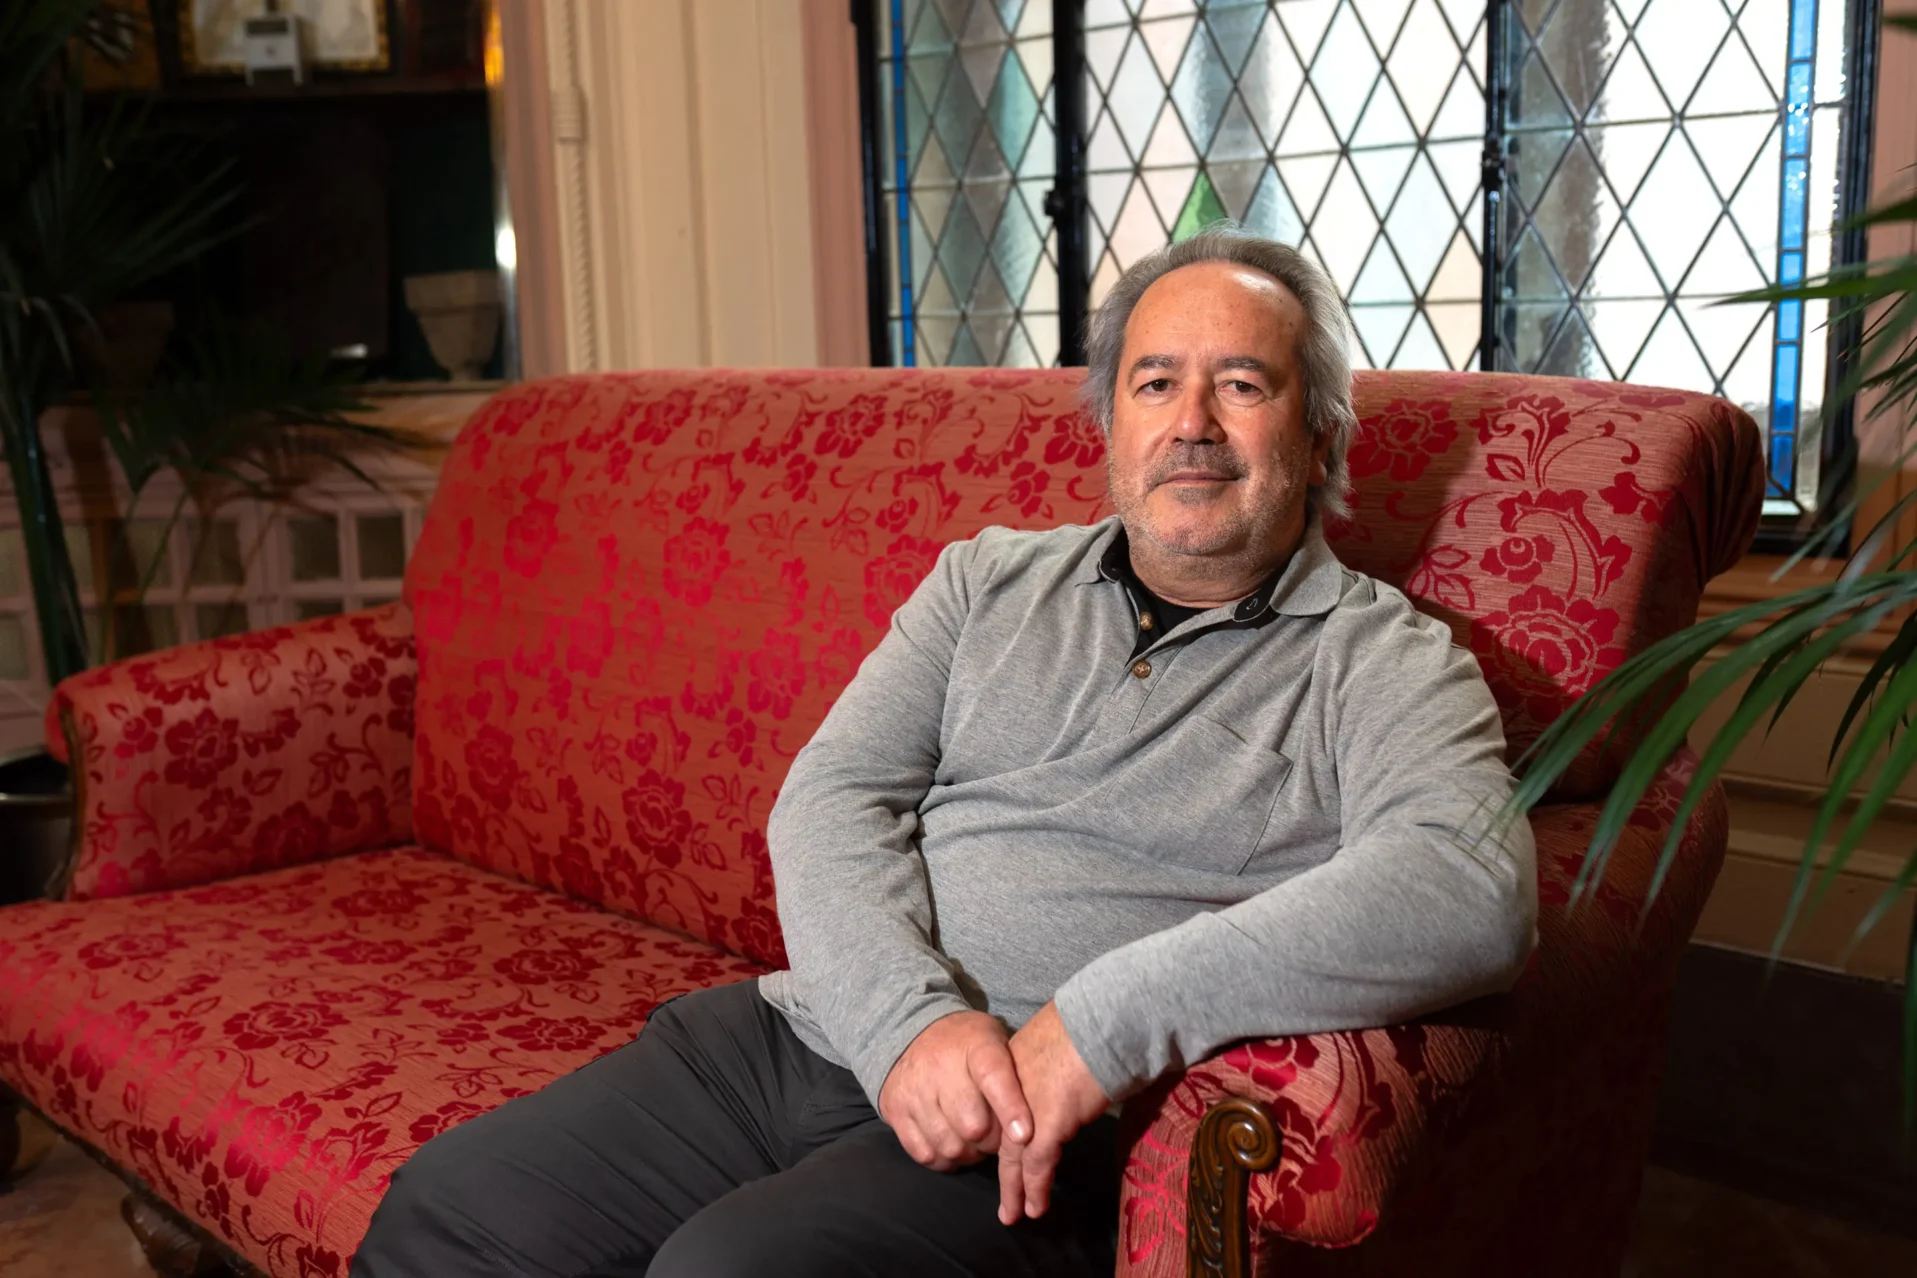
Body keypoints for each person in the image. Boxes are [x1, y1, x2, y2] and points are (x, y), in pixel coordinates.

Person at [349, 226, 1537, 1277]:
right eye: (1155, 383)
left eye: (1241, 386)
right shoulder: (987, 580)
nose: (1191, 425)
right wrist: (908, 1025)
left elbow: (1469, 888)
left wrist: (1100, 1024)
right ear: (1111, 426)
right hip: (801, 1039)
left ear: (1320, 439)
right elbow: (830, 798)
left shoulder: (1382, 659)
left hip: (1028, 1130)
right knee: (450, 1214)